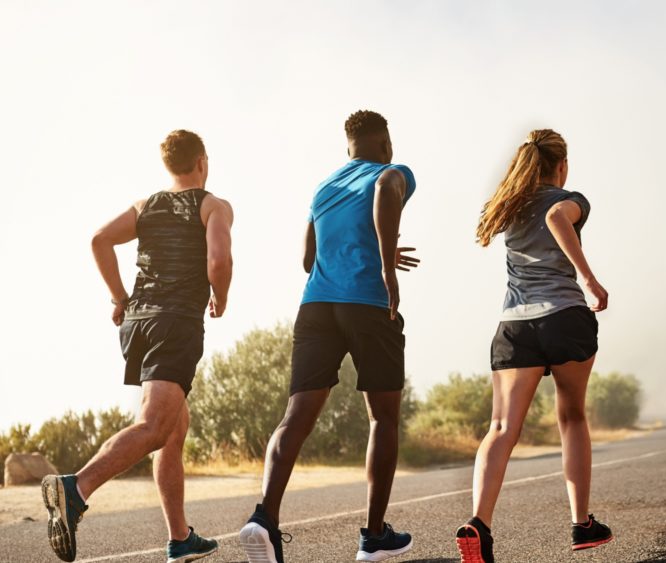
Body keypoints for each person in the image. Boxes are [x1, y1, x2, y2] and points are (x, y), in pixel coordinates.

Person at [42, 130, 233, 563]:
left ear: (169, 166)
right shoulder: (213, 206)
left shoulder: (145, 206)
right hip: (175, 323)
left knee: (172, 428)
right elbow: (219, 261)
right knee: (153, 426)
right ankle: (76, 489)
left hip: (138, 324)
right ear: (202, 161)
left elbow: (99, 240)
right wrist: (220, 296)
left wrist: (120, 298)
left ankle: (180, 537)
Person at [239, 110, 419, 563]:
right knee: (382, 418)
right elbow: (384, 191)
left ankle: (264, 518)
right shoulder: (392, 172)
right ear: (384, 143)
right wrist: (385, 264)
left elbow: (307, 258)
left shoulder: (324, 188)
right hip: (367, 303)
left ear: (347, 147)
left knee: (295, 415)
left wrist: (369, 246)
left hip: (316, 304)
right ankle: (374, 536)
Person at [454, 129, 613, 563]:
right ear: (561, 165)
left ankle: (479, 525)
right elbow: (558, 219)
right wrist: (588, 278)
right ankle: (582, 525)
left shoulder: (511, 203)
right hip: (564, 318)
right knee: (572, 416)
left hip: (515, 327)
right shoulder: (570, 198)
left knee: (501, 429)